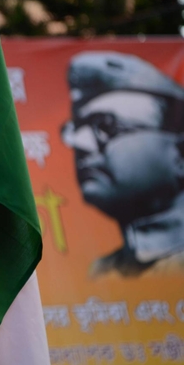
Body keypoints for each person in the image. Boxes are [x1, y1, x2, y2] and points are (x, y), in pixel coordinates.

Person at [62, 51, 184, 277]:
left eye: (105, 126)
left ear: (180, 153)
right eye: (76, 128)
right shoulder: (102, 275)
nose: (80, 142)